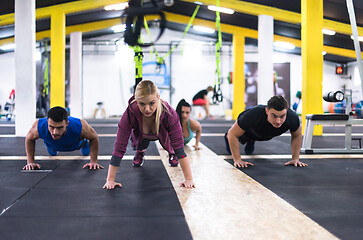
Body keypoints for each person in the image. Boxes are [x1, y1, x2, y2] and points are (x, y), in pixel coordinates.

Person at [103, 80, 195, 189]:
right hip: (141, 133)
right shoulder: (129, 113)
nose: (147, 109)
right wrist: (110, 180)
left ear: (158, 97)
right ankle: (140, 151)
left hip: (161, 132)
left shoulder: (169, 113)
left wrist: (189, 179)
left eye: (151, 103)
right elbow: (119, 147)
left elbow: (179, 147)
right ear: (136, 100)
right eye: (142, 104)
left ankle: (171, 152)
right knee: (140, 144)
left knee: (173, 147)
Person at [225, 95, 307, 168]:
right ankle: (246, 139)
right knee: (233, 146)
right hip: (249, 131)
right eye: (274, 116)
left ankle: (251, 141)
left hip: (264, 134)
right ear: (267, 111)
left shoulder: (292, 118)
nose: (278, 121)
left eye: (282, 116)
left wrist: (295, 159)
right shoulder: (253, 115)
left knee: (256, 141)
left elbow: (297, 135)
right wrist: (237, 160)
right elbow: (232, 134)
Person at [23, 106, 103, 170]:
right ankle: (52, 146)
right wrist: (30, 162)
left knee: (86, 153)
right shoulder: (38, 126)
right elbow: (29, 139)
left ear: (67, 123)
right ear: (47, 121)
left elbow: (94, 137)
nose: (55, 132)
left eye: (59, 128)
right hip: (52, 144)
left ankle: (84, 143)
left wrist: (93, 161)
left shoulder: (80, 126)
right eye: (51, 127)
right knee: (52, 153)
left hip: (75, 145)